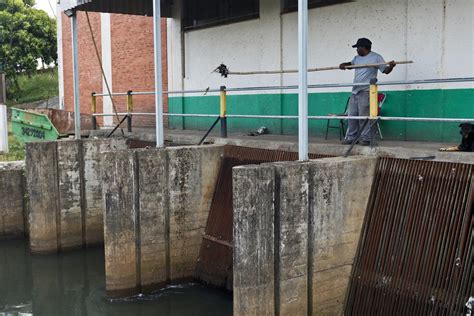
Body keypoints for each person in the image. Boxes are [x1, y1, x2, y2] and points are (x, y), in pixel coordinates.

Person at [339, 38, 396, 145]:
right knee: (352, 116)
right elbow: (351, 64)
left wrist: (391, 66)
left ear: (364, 47)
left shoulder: (376, 57)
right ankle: (351, 137)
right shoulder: (356, 58)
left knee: (364, 117)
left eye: (358, 48)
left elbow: (385, 71)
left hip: (366, 91)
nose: (356, 50)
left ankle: (365, 138)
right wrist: (344, 65)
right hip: (355, 91)